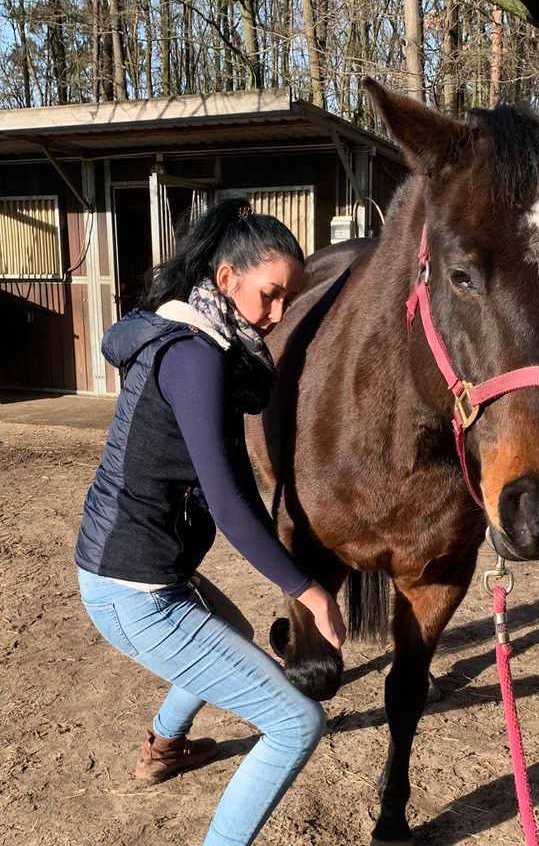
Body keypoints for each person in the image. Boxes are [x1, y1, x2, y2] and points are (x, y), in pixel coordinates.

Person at [75, 195, 346, 846]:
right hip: (131, 589)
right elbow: (226, 504)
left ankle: (164, 747)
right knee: (295, 724)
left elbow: (234, 485)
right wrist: (311, 593)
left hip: (137, 568)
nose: (278, 315)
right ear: (225, 280)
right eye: (269, 296)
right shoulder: (194, 358)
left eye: (289, 300)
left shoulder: (203, 340)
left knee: (230, 625)